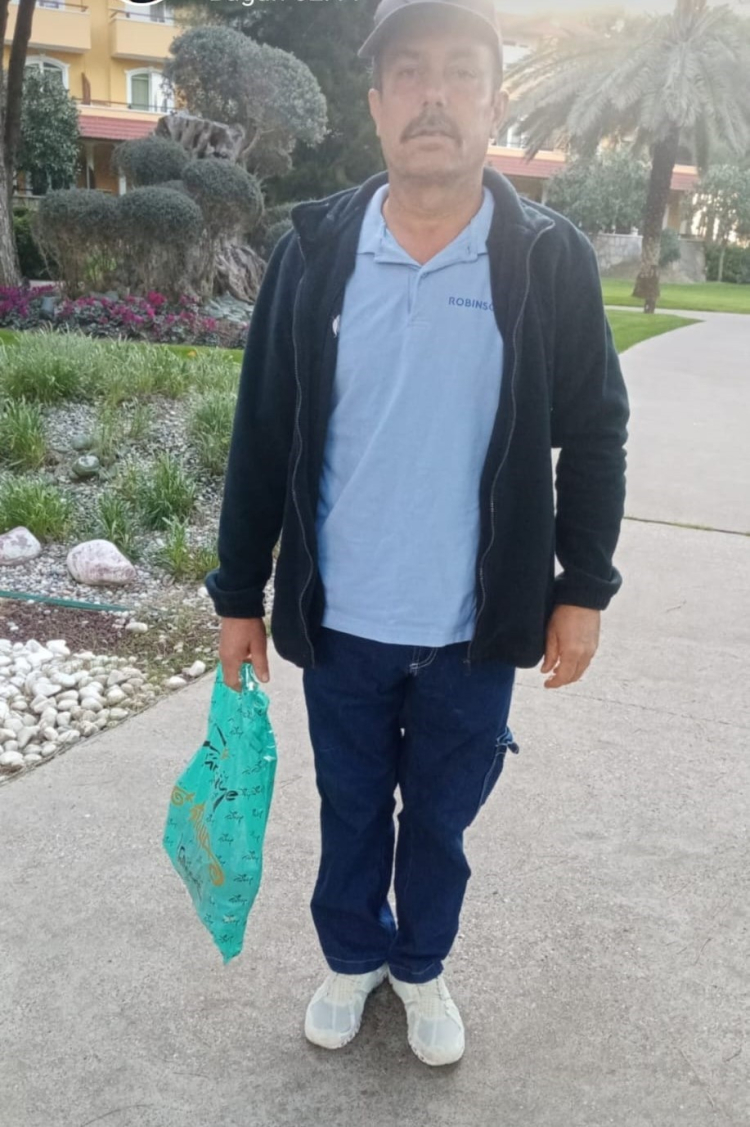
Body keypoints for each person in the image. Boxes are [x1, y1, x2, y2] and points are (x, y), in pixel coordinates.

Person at [206, 0, 629, 1067]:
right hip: (342, 618)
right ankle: (354, 955)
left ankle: (422, 961)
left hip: (473, 625)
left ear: (493, 102)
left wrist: (582, 587)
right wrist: (237, 595)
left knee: (441, 818)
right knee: (350, 806)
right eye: (408, 73)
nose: (432, 96)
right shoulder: (316, 253)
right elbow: (262, 429)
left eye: (458, 73)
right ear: (375, 103)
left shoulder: (547, 258)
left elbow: (595, 429)